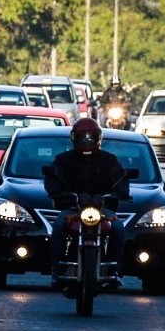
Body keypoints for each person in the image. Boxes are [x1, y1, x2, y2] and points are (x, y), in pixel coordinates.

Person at [44, 118, 129, 288]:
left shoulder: (109, 160)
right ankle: (57, 270)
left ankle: (114, 271)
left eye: (91, 138)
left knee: (118, 228)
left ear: (98, 138)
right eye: (82, 138)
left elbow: (121, 180)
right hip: (73, 209)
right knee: (59, 226)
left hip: (102, 209)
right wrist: (64, 195)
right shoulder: (63, 160)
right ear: (74, 138)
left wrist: (115, 194)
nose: (87, 141)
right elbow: (53, 180)